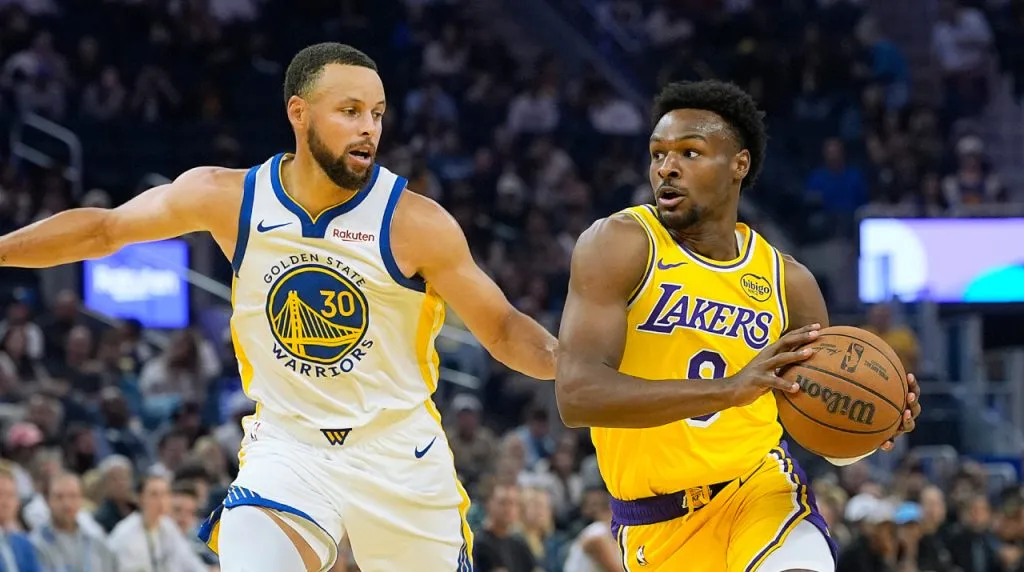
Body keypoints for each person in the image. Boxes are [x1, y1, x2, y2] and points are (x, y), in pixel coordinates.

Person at [0, 42, 557, 571]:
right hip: (290, 445)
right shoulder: (231, 197)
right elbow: (103, 230)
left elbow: (504, 329)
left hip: (398, 451)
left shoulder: (415, 222)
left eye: (378, 113)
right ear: (300, 112)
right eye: (350, 110)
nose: (369, 127)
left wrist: (580, 365)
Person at [555, 80, 922, 572]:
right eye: (658, 153)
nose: (667, 167)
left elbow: (822, 434)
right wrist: (728, 390)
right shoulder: (620, 244)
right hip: (654, 523)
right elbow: (576, 396)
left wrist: (871, 426)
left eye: (690, 152)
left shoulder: (788, 282)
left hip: (761, 491)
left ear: (738, 165)